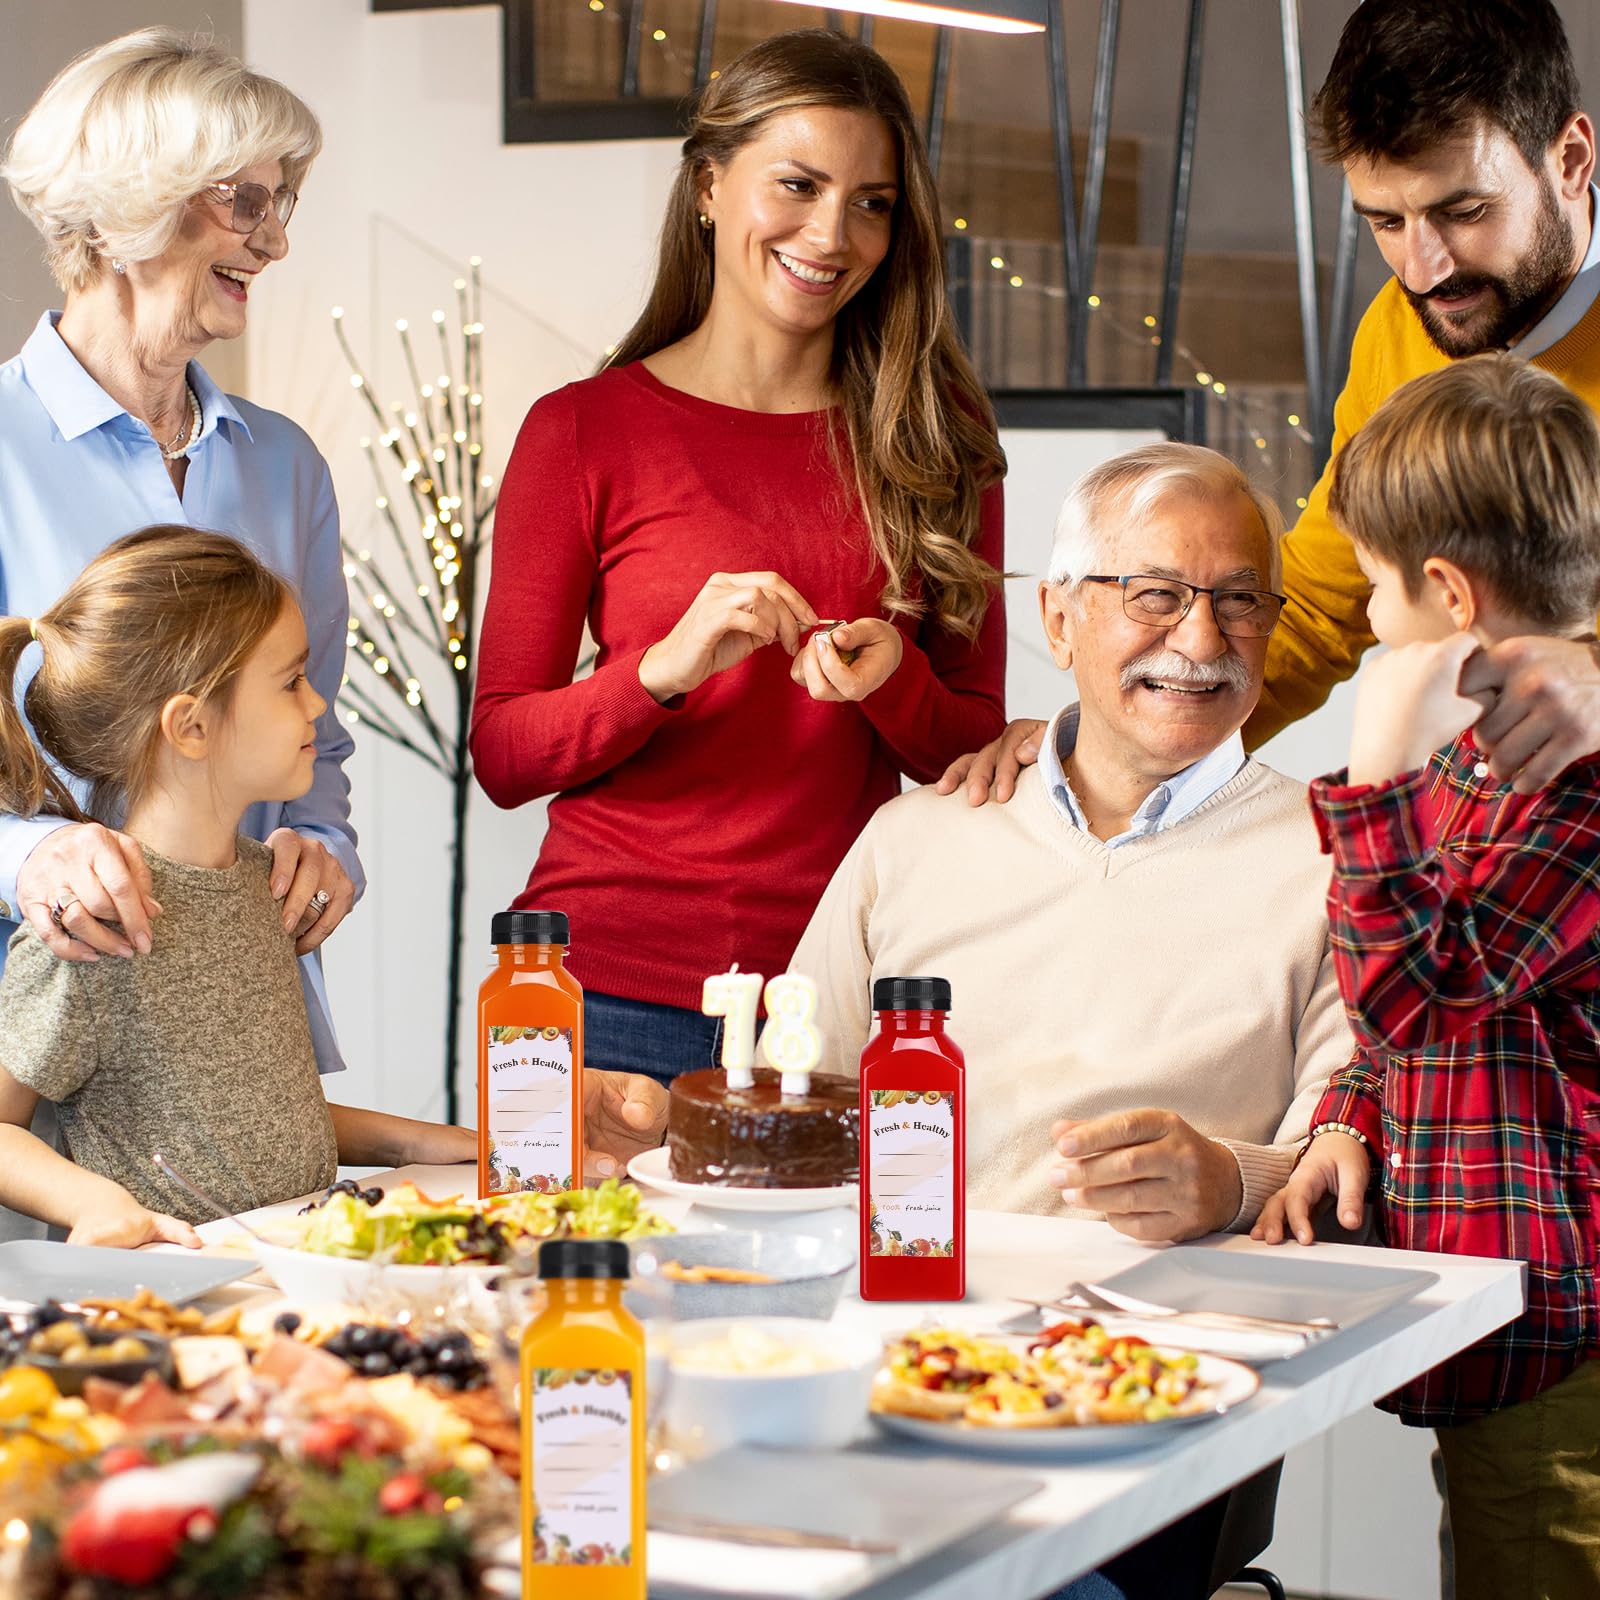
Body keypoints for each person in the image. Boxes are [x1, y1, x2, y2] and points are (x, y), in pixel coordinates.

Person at [0, 28, 668, 1172]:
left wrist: (322, 841)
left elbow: (324, 729)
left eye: (284, 199)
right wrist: (26, 856)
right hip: (40, 1032)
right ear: (132, 202)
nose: (276, 236)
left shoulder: (283, 464)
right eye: (243, 200)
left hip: (227, 1024)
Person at [471, 29, 1006, 1088]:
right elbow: (504, 753)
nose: (831, 233)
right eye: (797, 185)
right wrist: (662, 672)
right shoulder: (583, 430)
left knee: (846, 1260)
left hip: (837, 980)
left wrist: (892, 684)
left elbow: (970, 745)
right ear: (709, 186)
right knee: (584, 1262)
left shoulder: (935, 434)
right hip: (606, 988)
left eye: (871, 202)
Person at [941, 0, 1600, 806]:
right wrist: (1109, 747)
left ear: (1570, 158)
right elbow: (1328, 596)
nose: (1423, 269)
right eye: (1385, 221)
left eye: (1463, 212)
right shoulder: (1402, 327)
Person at [793, 442, 1352, 1242]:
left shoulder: (1335, 861)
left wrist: (1231, 1184)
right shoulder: (913, 842)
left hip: (1188, 1348)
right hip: (916, 1325)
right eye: (1156, 596)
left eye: (1239, 603)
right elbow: (791, 1111)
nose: (1201, 641)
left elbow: (1359, 1163)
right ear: (1059, 620)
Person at [1253, 357, 1600, 1600]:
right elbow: (1384, 1019)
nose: (1360, 626)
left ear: (1445, 595)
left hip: (1566, 1348)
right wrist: (1345, 1117)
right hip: (1487, 1303)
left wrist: (1374, 760)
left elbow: (1422, 987)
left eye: (1372, 593)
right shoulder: (1472, 768)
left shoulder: (1575, 798)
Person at [0, 529, 473, 1247]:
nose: (317, 706)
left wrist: (420, 1143)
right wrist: (91, 1202)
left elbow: (259, 1115)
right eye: (291, 682)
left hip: (289, 1280)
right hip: (180, 1305)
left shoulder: (264, 887)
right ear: (191, 726)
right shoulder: (94, 930)